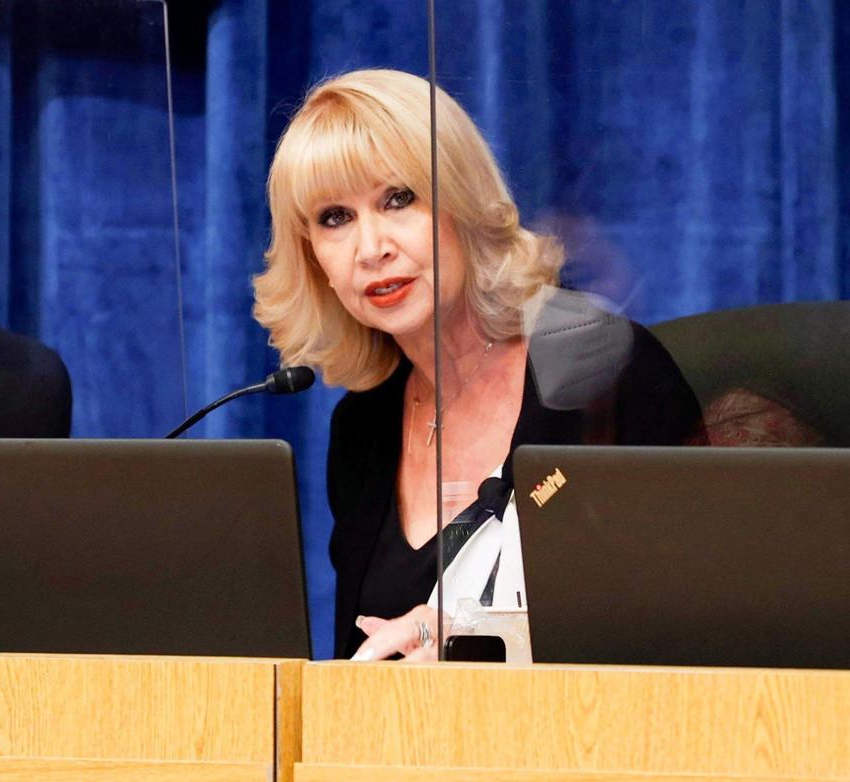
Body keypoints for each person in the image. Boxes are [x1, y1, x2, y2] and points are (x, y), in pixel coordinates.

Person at [253, 69, 705, 661]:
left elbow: (682, 628)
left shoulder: (597, 372)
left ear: (462, 203)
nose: (372, 248)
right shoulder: (363, 427)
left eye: (399, 199)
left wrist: (480, 641)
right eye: (335, 218)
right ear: (313, 257)